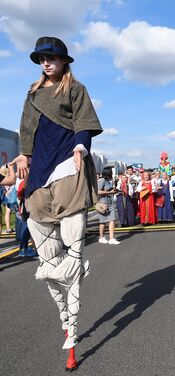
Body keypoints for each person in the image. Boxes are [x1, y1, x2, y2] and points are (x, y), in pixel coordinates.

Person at [13, 37, 102, 356]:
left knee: (73, 252)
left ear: (65, 60)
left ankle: (74, 326)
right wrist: (23, 155)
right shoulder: (33, 93)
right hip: (39, 171)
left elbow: (84, 124)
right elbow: (26, 128)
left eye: (52, 57)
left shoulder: (75, 89)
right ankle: (63, 316)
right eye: (41, 58)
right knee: (48, 259)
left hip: (67, 163)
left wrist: (81, 147)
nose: (46, 63)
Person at [97, 167, 120, 244]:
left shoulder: (108, 181)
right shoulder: (102, 180)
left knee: (112, 220)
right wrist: (109, 192)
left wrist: (113, 191)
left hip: (110, 202)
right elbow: (98, 191)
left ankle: (111, 238)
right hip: (103, 203)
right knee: (103, 221)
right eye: (111, 172)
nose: (112, 173)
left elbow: (109, 190)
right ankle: (101, 237)